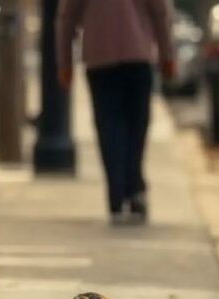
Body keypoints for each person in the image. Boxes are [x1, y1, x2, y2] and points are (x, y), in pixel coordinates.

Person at [57, 0, 175, 225]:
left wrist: (65, 63)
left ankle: (117, 191)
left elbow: (67, 17)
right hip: (137, 56)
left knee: (109, 126)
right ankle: (134, 188)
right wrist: (167, 55)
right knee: (136, 126)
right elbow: (161, 13)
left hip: (100, 58)